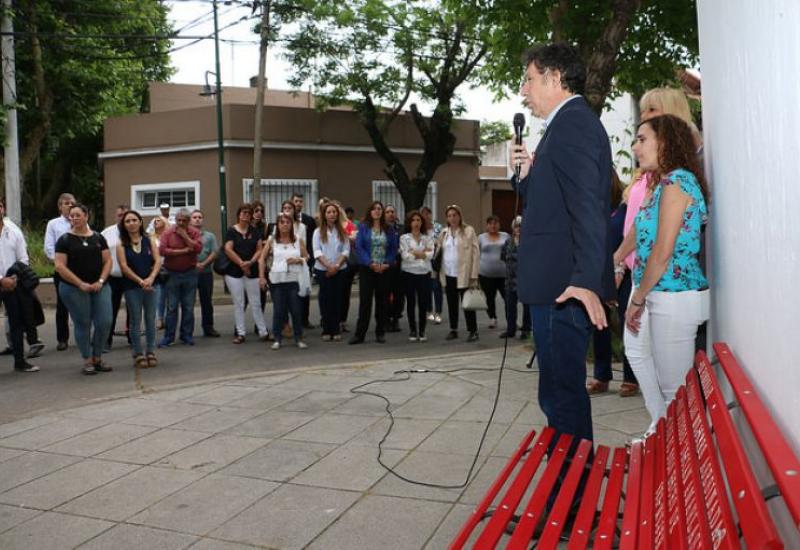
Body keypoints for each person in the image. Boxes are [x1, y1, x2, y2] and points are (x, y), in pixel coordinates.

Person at [510, 43, 613, 446]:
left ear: (555, 77)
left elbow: (589, 209)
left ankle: (569, 501)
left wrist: (586, 280)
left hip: (565, 287)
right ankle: (569, 492)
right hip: (556, 283)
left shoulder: (573, 124)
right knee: (556, 394)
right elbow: (554, 206)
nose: (523, 91)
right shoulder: (563, 125)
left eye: (530, 80)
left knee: (562, 397)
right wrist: (524, 177)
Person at [617, 114, 710, 435]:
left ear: (666, 142)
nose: (635, 147)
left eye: (642, 139)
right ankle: (661, 428)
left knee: (676, 393)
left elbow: (662, 251)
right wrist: (616, 260)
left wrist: (637, 298)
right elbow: (638, 233)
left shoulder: (677, 183)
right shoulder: (662, 183)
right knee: (637, 353)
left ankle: (683, 460)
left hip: (674, 296)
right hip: (661, 293)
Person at [587, 172, 639, 396]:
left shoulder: (626, 204)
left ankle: (630, 377)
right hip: (598, 273)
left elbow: (631, 237)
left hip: (624, 272)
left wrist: (619, 268)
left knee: (628, 323)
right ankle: (601, 376)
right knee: (599, 324)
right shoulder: (591, 207)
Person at [54, 203, 113, 375]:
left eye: (78, 215)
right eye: (71, 216)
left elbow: (108, 261)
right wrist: (80, 283)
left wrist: (101, 280)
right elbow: (60, 266)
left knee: (105, 321)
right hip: (74, 288)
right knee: (83, 323)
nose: (74, 218)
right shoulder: (64, 240)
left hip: (100, 286)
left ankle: (98, 357)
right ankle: (88, 359)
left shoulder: (98, 238)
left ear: (86, 216)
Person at [349, 201, 398, 345]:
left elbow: (393, 249)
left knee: (382, 302)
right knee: (365, 302)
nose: (377, 211)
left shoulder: (388, 229)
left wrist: (386, 263)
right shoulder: (363, 227)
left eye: (379, 209)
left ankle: (380, 332)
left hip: (384, 269)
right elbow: (359, 247)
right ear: (370, 212)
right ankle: (360, 334)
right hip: (367, 269)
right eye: (374, 209)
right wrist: (370, 263)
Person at [117, 210, 161, 368]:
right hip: (132, 287)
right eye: (127, 221)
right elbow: (124, 267)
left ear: (140, 222)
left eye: (134, 220)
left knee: (150, 319)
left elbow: (157, 261)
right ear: (124, 225)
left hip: (152, 285)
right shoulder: (121, 244)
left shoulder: (150, 240)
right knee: (135, 321)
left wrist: (151, 278)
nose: (131, 223)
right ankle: (137, 352)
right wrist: (140, 281)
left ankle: (150, 351)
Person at [0, 197, 40, 372]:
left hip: (13, 284)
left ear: (3, 209)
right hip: (3, 281)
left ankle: (20, 361)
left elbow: (23, 258)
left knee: (16, 323)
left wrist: (14, 278)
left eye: (0, 205)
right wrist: (1, 279)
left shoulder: (13, 231)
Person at [259, 213, 308, 349]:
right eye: (282, 222)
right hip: (277, 280)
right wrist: (262, 277)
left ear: (292, 224)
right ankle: (277, 339)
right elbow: (261, 259)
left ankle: (298, 338)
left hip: (294, 280)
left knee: (296, 310)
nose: (285, 224)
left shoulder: (298, 239)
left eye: (288, 222)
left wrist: (299, 260)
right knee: (279, 310)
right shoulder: (272, 240)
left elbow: (307, 256)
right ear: (278, 225)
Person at [224, 204, 269, 344]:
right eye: (243, 212)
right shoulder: (231, 231)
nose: (246, 215)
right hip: (234, 272)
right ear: (238, 214)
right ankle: (240, 333)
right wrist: (241, 264)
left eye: (249, 213)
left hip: (252, 271)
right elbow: (228, 249)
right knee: (239, 303)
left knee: (256, 302)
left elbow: (259, 249)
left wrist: (250, 262)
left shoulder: (255, 231)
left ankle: (263, 332)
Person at [158, 208, 202, 347]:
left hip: (190, 273)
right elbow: (163, 250)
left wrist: (185, 237)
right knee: (171, 307)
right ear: (175, 220)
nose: (181, 223)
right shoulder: (168, 232)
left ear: (189, 221)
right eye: (179, 220)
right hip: (172, 274)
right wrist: (183, 251)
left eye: (184, 220)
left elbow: (197, 248)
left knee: (188, 307)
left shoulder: (194, 232)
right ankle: (169, 337)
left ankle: (186, 335)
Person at [436, 204, 480, 342]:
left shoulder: (468, 231)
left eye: (455, 215)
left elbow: (475, 253)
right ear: (446, 218)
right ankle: (453, 329)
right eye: (449, 216)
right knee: (451, 303)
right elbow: (438, 252)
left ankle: (473, 330)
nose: (452, 218)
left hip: (464, 274)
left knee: (467, 303)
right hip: (449, 273)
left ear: (460, 216)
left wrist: (474, 275)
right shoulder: (444, 233)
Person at [313, 201, 350, 341]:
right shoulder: (318, 232)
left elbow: (346, 250)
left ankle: (335, 328)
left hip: (340, 269)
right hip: (323, 270)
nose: (332, 214)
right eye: (329, 212)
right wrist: (329, 266)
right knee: (325, 299)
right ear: (324, 214)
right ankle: (326, 329)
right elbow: (316, 251)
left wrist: (336, 266)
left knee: (337, 299)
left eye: (334, 212)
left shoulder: (342, 231)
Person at [44, 192, 76, 350]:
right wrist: (60, 263)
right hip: (62, 270)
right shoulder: (53, 224)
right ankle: (62, 338)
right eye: (67, 203)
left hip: (80, 269)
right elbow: (49, 248)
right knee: (63, 304)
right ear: (60, 206)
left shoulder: (81, 221)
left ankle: (83, 335)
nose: (71, 206)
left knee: (82, 303)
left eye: (73, 203)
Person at [400, 210, 434, 342]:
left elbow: (431, 254)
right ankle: (413, 330)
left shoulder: (427, 238)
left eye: (418, 220)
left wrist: (415, 252)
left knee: (423, 303)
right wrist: (422, 253)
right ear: (409, 223)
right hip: (409, 273)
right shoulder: (404, 238)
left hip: (424, 273)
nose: (416, 223)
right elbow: (405, 256)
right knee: (411, 302)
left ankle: (422, 330)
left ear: (422, 222)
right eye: (413, 220)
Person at [101, 204, 129, 350]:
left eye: (125, 215)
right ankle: (107, 339)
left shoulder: (136, 232)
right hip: (113, 277)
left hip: (131, 276)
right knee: (110, 309)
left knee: (133, 308)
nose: (123, 218)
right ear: (115, 216)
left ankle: (132, 337)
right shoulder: (107, 233)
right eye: (120, 215)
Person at [499, 216, 531, 340]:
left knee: (527, 307)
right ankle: (510, 329)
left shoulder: (529, 241)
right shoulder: (508, 241)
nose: (519, 228)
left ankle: (526, 329)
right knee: (509, 306)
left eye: (521, 226)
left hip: (525, 280)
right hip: (510, 280)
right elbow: (503, 256)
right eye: (516, 226)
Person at [190, 209, 220, 338]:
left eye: (200, 217)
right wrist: (194, 264)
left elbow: (215, 252)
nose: (197, 219)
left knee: (207, 301)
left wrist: (203, 264)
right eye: (195, 217)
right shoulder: (187, 235)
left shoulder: (210, 236)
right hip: (190, 273)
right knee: (188, 302)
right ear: (190, 220)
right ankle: (187, 330)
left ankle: (208, 328)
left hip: (206, 273)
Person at [478, 215, 510, 329]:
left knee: (508, 298)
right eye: (490, 223)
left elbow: (511, 251)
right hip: (486, 274)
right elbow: (476, 254)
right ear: (487, 226)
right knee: (489, 298)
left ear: (499, 225)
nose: (493, 226)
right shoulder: (481, 237)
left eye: (495, 223)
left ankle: (511, 321)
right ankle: (492, 318)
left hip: (504, 274)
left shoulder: (505, 236)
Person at [292, 193, 317, 329]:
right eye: (296, 201)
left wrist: (310, 259)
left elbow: (312, 241)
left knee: (305, 290)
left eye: (301, 201)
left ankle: (305, 320)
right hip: (291, 261)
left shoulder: (309, 220)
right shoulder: (285, 220)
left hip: (305, 260)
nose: (298, 204)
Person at [421, 206, 443, 325]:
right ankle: (429, 311)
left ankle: (438, 312)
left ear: (430, 214)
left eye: (427, 213)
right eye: (423, 214)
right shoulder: (420, 229)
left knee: (436, 287)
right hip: (424, 262)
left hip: (435, 261)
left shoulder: (438, 227)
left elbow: (442, 242)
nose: (425, 216)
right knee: (426, 288)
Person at [384, 205, 405, 332]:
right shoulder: (382, 229)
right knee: (385, 294)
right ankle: (386, 319)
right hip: (386, 265)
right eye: (388, 212)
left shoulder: (401, 229)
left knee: (399, 295)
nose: (391, 214)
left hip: (399, 265)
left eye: (392, 211)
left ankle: (396, 318)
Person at [339, 203, 359, 333]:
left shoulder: (349, 225)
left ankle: (342, 321)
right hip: (331, 263)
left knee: (345, 294)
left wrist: (346, 237)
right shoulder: (327, 227)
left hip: (347, 263)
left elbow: (354, 239)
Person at [149, 216, 169, 330]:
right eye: (155, 220)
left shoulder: (169, 236)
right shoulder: (150, 237)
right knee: (159, 294)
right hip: (156, 269)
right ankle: (159, 318)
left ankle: (167, 318)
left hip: (169, 268)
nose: (156, 222)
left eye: (159, 220)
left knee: (169, 294)